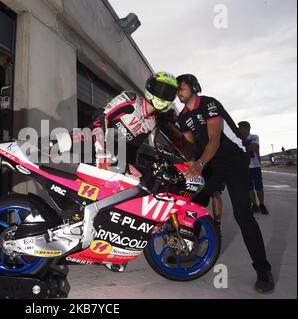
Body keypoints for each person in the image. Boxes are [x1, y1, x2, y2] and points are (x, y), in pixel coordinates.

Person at [175, 74, 274, 293]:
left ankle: (263, 270)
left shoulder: (209, 104)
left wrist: (200, 163)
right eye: (177, 90)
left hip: (234, 159)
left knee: (242, 214)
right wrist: (190, 160)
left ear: (193, 87)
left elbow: (215, 140)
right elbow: (191, 145)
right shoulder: (183, 116)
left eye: (181, 88)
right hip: (213, 161)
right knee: (193, 203)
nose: (178, 92)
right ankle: (187, 249)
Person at [91, 71, 179, 171]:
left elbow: (133, 148)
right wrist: (101, 149)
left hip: (113, 156)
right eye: (160, 89)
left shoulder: (153, 122)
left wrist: (131, 169)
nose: (163, 94)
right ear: (150, 86)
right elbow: (101, 117)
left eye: (169, 93)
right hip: (93, 145)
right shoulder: (131, 99)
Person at [238, 121, 270, 215]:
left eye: (241, 128)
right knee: (249, 188)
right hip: (245, 167)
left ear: (247, 128)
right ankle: (254, 205)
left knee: (259, 187)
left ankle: (262, 204)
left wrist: (243, 146)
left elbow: (253, 147)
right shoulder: (239, 138)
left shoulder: (254, 137)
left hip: (255, 166)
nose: (239, 130)